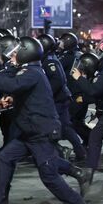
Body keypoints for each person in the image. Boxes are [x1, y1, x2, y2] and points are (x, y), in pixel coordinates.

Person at [0, 36, 93, 204]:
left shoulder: (32, 72)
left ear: (26, 54)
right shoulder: (28, 71)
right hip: (29, 131)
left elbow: (13, 84)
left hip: (41, 131)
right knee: (4, 159)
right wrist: (11, 99)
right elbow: (18, 88)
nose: (11, 57)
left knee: (49, 174)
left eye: (16, 53)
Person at [38, 34, 86, 162]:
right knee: (62, 127)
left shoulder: (50, 61)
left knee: (64, 127)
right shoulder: (50, 58)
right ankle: (65, 151)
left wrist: (46, 94)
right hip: (60, 98)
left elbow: (58, 80)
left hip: (59, 99)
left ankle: (77, 151)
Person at [71, 52, 103, 185]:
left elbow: (94, 91)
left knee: (95, 135)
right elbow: (95, 95)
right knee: (95, 136)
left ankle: (89, 172)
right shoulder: (99, 75)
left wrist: (79, 79)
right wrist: (83, 99)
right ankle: (89, 171)